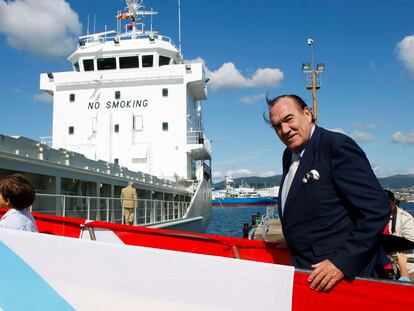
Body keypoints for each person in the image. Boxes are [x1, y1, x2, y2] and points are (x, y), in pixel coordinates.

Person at [267, 94, 389, 292]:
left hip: (340, 278)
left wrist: (341, 262)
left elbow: (377, 209)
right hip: (307, 273)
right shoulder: (289, 154)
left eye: (289, 119)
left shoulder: (336, 146)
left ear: (307, 114)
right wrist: (293, 239)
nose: (284, 130)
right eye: (277, 126)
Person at [384, 189, 414, 280]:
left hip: (403, 265)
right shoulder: (376, 216)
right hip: (383, 263)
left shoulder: (405, 218)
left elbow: (411, 240)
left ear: (393, 204)